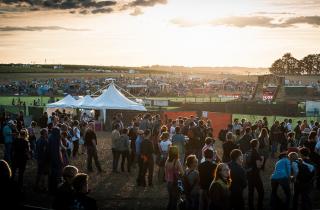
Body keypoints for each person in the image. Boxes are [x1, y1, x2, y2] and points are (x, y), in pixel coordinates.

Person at [246, 139, 264, 210]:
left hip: (249, 174)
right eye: (258, 143)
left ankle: (250, 206)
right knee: (261, 191)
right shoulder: (255, 153)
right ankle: (259, 206)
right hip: (255, 175)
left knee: (251, 191)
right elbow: (258, 166)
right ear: (256, 144)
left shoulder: (249, 151)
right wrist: (262, 160)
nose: (259, 144)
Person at [165, 146, 184, 210]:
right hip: (174, 183)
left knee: (170, 199)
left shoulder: (167, 160)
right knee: (175, 200)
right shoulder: (177, 161)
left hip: (168, 182)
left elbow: (166, 171)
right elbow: (182, 172)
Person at [48, 127, 63, 194]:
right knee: (57, 175)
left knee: (51, 175)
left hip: (51, 159)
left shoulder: (50, 137)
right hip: (56, 159)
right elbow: (58, 150)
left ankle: (50, 189)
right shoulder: (57, 138)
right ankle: (55, 190)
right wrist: (61, 160)